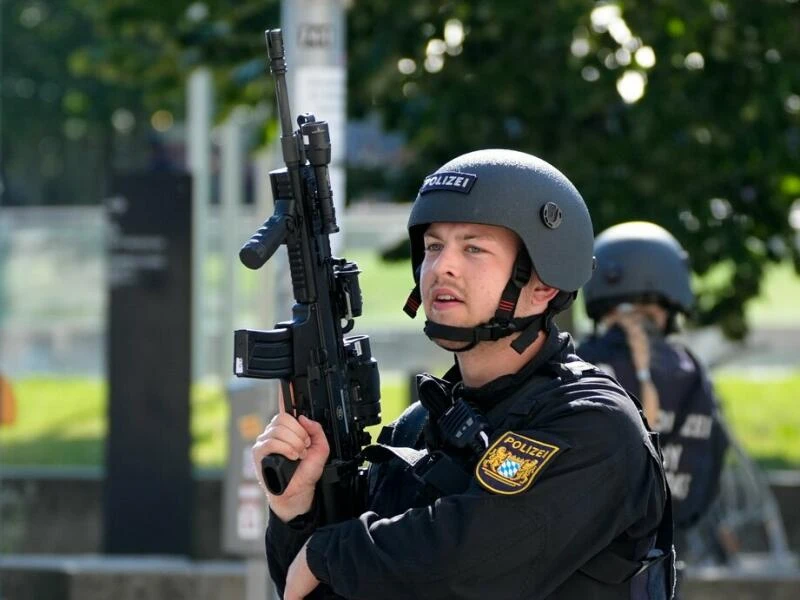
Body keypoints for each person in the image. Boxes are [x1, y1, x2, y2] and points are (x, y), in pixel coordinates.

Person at [253, 150, 674, 599]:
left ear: (543, 285)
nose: (441, 267)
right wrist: (298, 512)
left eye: (473, 248)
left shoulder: (594, 426)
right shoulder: (418, 428)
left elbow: (468, 562)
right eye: (434, 247)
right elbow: (314, 590)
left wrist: (327, 551)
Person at [577, 221, 729, 562]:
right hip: (668, 564)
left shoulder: (579, 364)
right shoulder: (694, 372)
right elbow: (712, 464)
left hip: (587, 566)